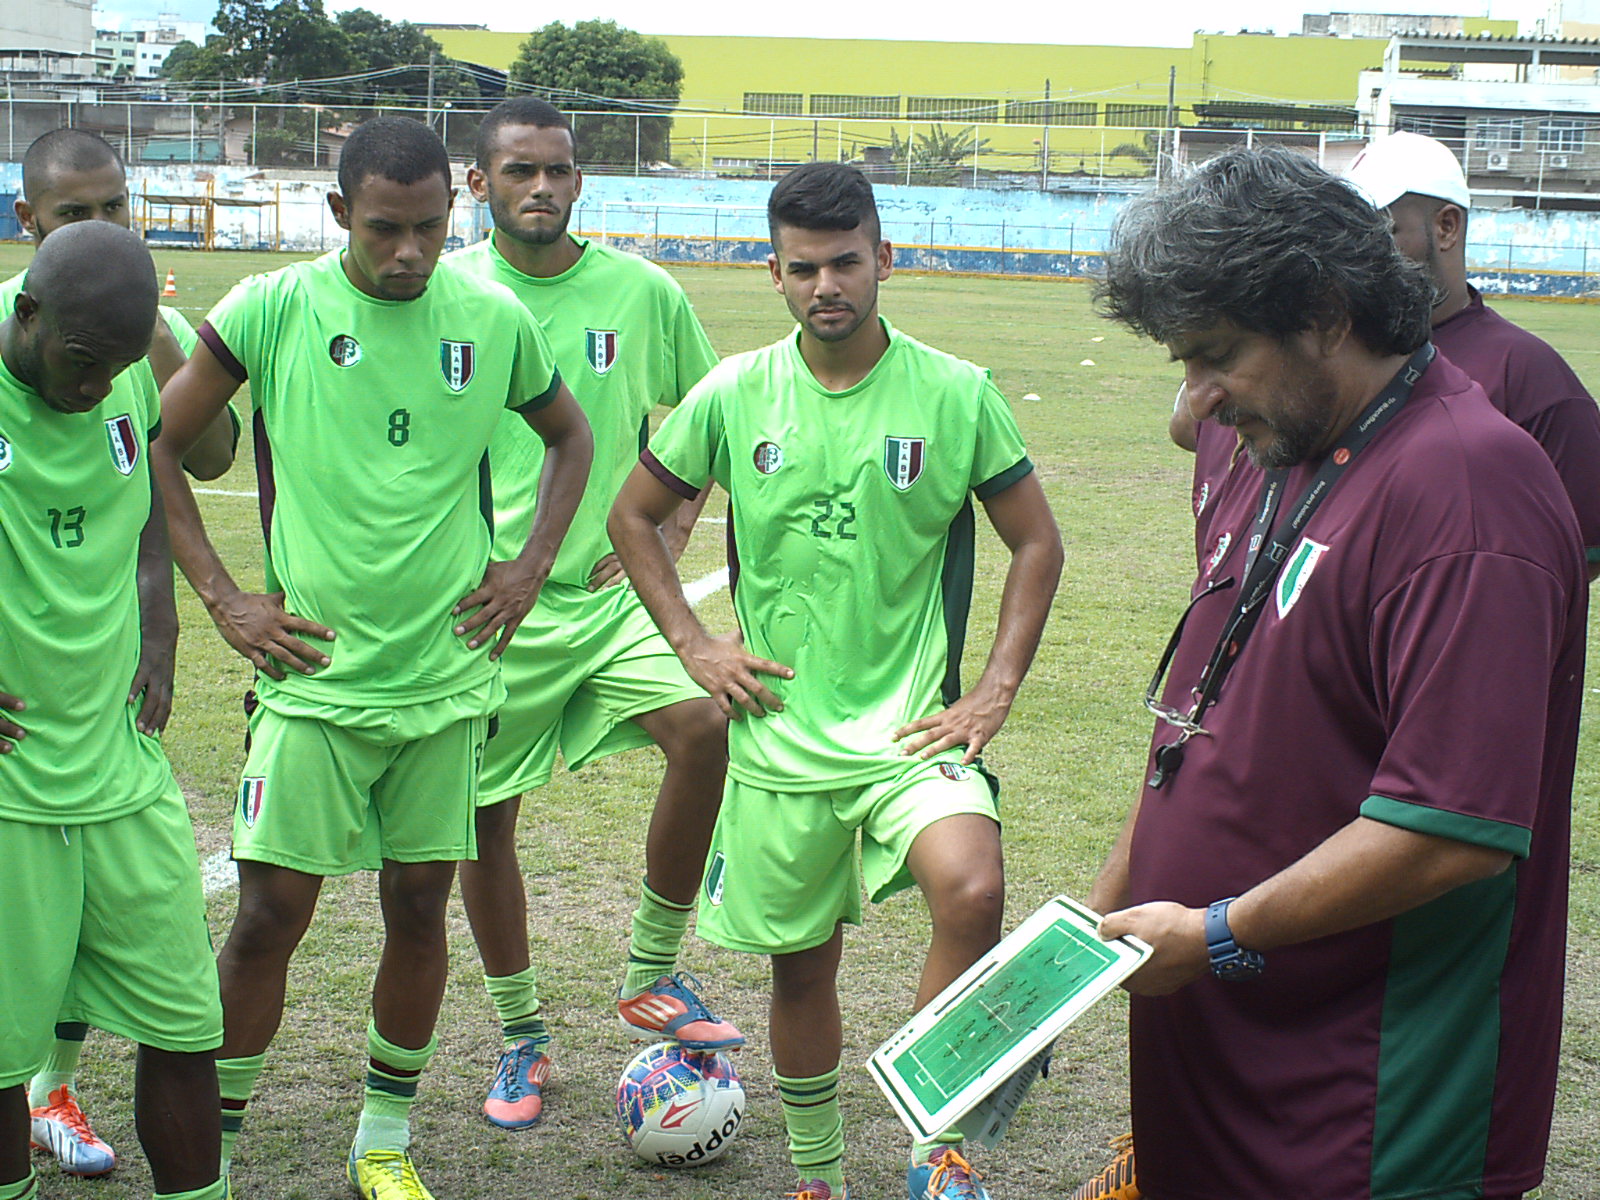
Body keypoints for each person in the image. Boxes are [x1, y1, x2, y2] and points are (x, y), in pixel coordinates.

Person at [1087, 145, 1583, 1200]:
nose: (1196, 402)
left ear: (1322, 309)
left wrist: (1216, 934)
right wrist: (1087, 933)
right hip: (1226, 1051)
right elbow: (1201, 716)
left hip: (1363, 1103)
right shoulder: (1273, 442)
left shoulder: (1466, 492)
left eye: (1216, 354)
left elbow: (1445, 835)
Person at [151, 116, 592, 1200]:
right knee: (266, 919)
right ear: (340, 213)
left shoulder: (490, 319)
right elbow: (155, 444)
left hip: (443, 681)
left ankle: (382, 1143)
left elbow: (572, 438)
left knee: (415, 908)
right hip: (314, 683)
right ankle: (226, 1142)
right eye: (385, 230)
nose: (408, 254)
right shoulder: (271, 309)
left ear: (458, 215)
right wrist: (222, 598)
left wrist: (528, 568)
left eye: (431, 231)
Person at [609, 161, 1063, 1200]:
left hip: (910, 735)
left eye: (846, 262)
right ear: (773, 272)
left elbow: (1036, 542)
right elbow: (633, 515)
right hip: (779, 736)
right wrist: (694, 646)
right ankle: (818, 1178)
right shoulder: (734, 393)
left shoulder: (955, 393)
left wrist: (993, 689)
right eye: (804, 267)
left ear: (883, 261)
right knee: (801, 968)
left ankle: (933, 1152)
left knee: (975, 887)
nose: (828, 285)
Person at [449, 96, 736, 1131]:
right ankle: (522, 1037)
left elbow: (713, 423)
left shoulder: (641, 292)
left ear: (580, 180)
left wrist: (670, 537)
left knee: (705, 723)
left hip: (609, 599)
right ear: (478, 185)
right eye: (518, 171)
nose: (541, 189)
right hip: (490, 609)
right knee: (483, 823)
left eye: (557, 171)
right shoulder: (449, 296)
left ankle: (652, 975)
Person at [6, 127, 241, 1182]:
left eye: (115, 371)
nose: (100, 390)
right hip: (10, 786)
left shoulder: (133, 364)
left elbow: (152, 488)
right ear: (27, 313)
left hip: (123, 767)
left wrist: (163, 618)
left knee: (187, 1026)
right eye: (80, 367)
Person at [1345, 129, 1600, 579]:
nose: (1360, 256)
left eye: (1381, 233)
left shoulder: (1530, 375)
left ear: (1446, 227)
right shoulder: (1345, 354)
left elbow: (1585, 547)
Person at [13, 127, 240, 482]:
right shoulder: (7, 318)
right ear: (28, 217)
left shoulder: (164, 328)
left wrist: (157, 337)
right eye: (75, 213)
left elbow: (212, 461)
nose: (101, 226)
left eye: (113, 207)